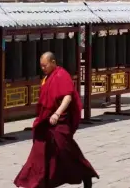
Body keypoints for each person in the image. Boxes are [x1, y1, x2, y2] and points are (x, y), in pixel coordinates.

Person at [14, 51, 98, 188]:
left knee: (67, 150)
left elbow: (68, 97)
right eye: (41, 66)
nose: (43, 68)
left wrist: (57, 114)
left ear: (53, 62)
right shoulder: (47, 78)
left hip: (59, 123)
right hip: (46, 123)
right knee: (41, 153)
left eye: (45, 65)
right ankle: (38, 182)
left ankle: (85, 173)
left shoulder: (61, 75)